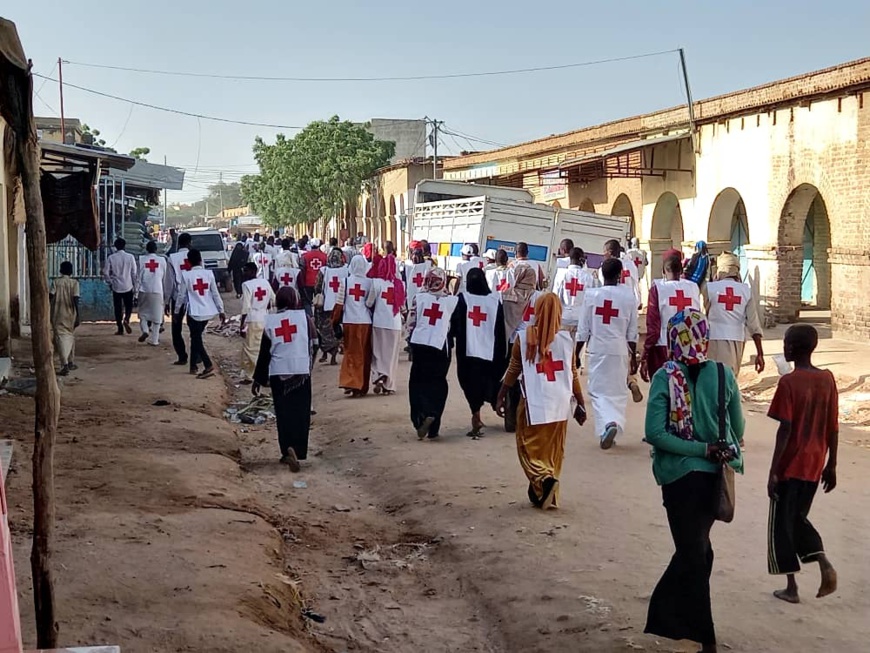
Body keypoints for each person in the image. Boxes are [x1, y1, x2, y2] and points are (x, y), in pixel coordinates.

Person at [643, 309, 744, 653]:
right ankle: (670, 616)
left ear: (673, 340)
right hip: (713, 478)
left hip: (678, 477)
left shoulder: (663, 377)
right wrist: (711, 444)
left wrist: (697, 448)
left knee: (694, 555)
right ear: (704, 337)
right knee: (699, 549)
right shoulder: (723, 374)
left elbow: (654, 433)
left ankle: (705, 637)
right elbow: (739, 429)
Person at [767, 324, 838, 604]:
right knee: (796, 517)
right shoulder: (827, 379)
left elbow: (784, 429)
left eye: (786, 342)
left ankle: (797, 582)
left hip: (790, 463)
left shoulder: (789, 382)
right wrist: (832, 464)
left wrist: (774, 471)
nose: (784, 347)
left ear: (792, 349)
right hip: (815, 462)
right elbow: (833, 424)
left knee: (782, 525)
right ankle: (816, 567)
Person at [495, 293, 586, 509]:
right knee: (552, 451)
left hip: (532, 405)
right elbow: (573, 374)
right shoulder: (565, 341)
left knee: (527, 448)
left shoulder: (524, 338)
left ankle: (544, 482)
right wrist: (580, 403)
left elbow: (513, 369)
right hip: (560, 405)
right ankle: (543, 489)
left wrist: (500, 395)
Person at [252, 286, 317, 471]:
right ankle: (298, 449)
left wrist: (258, 379)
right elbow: (315, 342)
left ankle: (286, 450)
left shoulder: (270, 321)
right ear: (295, 300)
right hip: (301, 371)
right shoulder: (305, 318)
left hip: (278, 373)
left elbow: (264, 353)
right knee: (301, 413)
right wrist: (308, 364)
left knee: (284, 413)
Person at [576, 258, 638, 449]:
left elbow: (583, 329)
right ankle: (612, 425)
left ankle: (608, 424)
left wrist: (576, 354)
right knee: (617, 391)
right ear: (620, 275)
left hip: (597, 349)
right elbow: (632, 332)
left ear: (601, 274)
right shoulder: (629, 296)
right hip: (619, 349)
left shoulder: (592, 295)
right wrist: (633, 357)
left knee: (597, 391)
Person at [450, 268, 506, 437]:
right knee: (489, 381)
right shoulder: (495, 301)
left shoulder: (462, 299)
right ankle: (498, 404)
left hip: (468, 352)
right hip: (490, 352)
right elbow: (500, 329)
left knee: (469, 383)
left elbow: (456, 326)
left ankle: (476, 415)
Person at [408, 268, 458, 440]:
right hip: (440, 347)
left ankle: (419, 418)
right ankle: (433, 418)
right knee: (438, 383)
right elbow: (454, 327)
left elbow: (411, 322)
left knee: (417, 383)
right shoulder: (452, 301)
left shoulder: (419, 298)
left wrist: (410, 342)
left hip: (421, 344)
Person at [641, 252, 701, 382]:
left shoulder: (658, 288)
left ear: (663, 271)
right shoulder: (693, 287)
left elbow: (653, 326)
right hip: (689, 346)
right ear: (681, 271)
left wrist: (645, 354)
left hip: (664, 345)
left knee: (663, 389)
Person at [704, 251, 765, 379]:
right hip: (737, 339)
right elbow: (754, 326)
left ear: (720, 270)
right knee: (730, 377)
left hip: (713, 339)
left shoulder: (710, 288)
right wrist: (760, 354)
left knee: (713, 377)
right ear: (737, 271)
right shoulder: (745, 290)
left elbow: (701, 317)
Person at [500, 264, 541, 433]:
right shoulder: (541, 297)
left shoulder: (506, 295)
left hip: (512, 342)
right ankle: (527, 418)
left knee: (511, 380)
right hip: (532, 343)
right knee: (530, 381)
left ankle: (510, 419)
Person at [176, 248, 226, 379]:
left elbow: (181, 296)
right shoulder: (209, 274)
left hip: (193, 312)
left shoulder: (186, 275)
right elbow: (215, 294)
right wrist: (221, 310)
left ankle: (207, 364)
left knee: (196, 339)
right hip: (207, 312)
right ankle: (193, 366)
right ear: (200, 260)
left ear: (189, 262)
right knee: (195, 337)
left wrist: (176, 312)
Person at [333, 255, 373, 397]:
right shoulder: (369, 282)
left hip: (350, 322)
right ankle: (362, 386)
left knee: (351, 353)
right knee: (364, 354)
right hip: (366, 322)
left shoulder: (345, 282)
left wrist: (334, 322)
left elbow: (339, 304)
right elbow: (371, 303)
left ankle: (352, 383)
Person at [367, 255, 405, 395]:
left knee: (378, 352)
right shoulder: (400, 284)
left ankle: (378, 376)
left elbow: (369, 303)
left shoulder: (376, 283)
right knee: (391, 355)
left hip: (379, 322)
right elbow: (402, 306)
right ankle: (388, 385)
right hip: (395, 324)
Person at [240, 262, 275, 382]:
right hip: (265, 318)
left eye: (246, 270)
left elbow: (246, 307)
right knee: (264, 348)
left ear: (252, 271)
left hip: (253, 319)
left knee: (251, 349)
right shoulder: (265, 282)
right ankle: (258, 373)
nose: (244, 273)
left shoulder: (246, 285)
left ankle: (254, 375)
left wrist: (242, 325)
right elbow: (273, 299)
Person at [313, 248, 347, 365]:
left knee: (326, 330)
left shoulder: (323, 270)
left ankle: (328, 352)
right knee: (339, 329)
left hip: (327, 305)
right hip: (341, 305)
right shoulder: (346, 269)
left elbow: (317, 287)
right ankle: (337, 350)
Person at [554, 247, 594, 340]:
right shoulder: (588, 277)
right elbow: (590, 302)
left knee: (561, 350)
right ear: (582, 259)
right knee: (574, 352)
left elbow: (555, 297)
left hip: (563, 318)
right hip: (580, 320)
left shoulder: (561, 274)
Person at [50, 261, 80, 376]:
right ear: (71, 271)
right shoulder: (75, 283)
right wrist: (78, 315)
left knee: (60, 338)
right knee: (70, 336)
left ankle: (65, 364)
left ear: (60, 270)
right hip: (71, 313)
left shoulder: (56, 282)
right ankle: (70, 361)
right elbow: (76, 299)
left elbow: (50, 296)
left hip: (58, 313)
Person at [167, 232, 193, 365]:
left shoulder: (172, 258)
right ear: (190, 243)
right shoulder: (196, 256)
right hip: (194, 297)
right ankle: (197, 355)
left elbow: (169, 282)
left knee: (176, 329)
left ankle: (182, 356)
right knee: (195, 329)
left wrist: (166, 300)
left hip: (177, 297)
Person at [103, 237, 137, 336]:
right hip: (128, 285)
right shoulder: (130, 257)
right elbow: (134, 273)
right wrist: (135, 286)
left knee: (117, 308)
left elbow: (105, 272)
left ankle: (120, 328)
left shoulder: (111, 257)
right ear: (124, 246)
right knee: (128, 306)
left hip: (116, 286)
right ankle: (127, 319)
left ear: (115, 247)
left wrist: (110, 282)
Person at [137, 240, 168, 346]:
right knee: (157, 317)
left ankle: (145, 330)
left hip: (144, 290)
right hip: (158, 290)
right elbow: (164, 277)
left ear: (146, 249)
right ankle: (155, 340)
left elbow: (138, 277)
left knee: (143, 314)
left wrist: (135, 293)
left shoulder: (141, 260)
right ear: (156, 249)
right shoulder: (162, 260)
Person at [300, 239, 328, 313]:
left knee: (307, 301)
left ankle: (309, 317)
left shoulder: (305, 256)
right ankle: (318, 318)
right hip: (320, 283)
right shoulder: (324, 256)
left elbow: (302, 269)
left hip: (308, 282)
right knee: (319, 301)